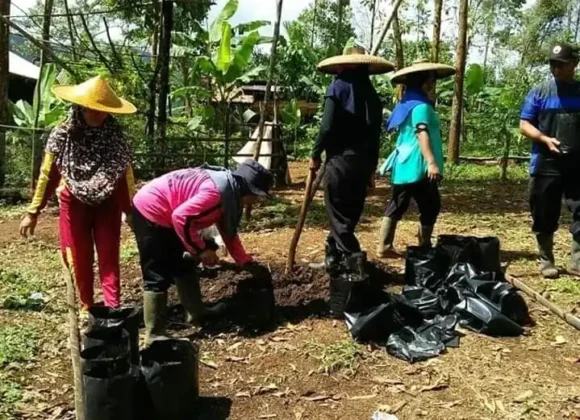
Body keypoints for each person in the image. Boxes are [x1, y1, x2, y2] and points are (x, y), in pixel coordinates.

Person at [19, 76, 136, 309]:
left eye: (104, 111)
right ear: (82, 107)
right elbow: (47, 175)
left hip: (108, 204)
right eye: (94, 110)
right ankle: (86, 307)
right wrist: (33, 211)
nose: (99, 115)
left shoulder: (115, 137)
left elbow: (125, 175)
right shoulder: (62, 135)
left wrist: (130, 211)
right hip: (73, 204)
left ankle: (113, 307)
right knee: (77, 257)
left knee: (109, 256)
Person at [131, 159, 273, 344]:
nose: (257, 199)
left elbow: (228, 232)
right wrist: (202, 250)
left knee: (183, 265)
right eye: (257, 195)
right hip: (151, 210)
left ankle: (196, 312)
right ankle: (154, 334)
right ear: (247, 189)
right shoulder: (216, 194)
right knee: (157, 273)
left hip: (170, 213)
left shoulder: (230, 195)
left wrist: (244, 261)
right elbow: (181, 218)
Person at [312, 44, 394, 271]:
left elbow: (326, 127)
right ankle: (333, 260)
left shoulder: (337, 87)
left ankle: (357, 264)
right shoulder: (372, 95)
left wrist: (315, 153)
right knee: (346, 217)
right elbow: (376, 137)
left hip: (340, 162)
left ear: (345, 64)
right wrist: (370, 171)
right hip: (363, 163)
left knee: (339, 218)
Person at [376, 59, 455, 257]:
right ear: (422, 82)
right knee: (430, 205)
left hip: (404, 164)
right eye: (430, 81)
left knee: (399, 204)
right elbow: (421, 132)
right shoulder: (420, 106)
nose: (432, 85)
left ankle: (386, 245)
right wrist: (431, 162)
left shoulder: (407, 104)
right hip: (418, 165)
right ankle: (423, 242)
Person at [519, 42, 580, 279]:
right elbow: (524, 124)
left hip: (577, 164)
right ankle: (546, 259)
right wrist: (544, 139)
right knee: (544, 210)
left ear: (574, 64)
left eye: (562, 64)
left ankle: (577, 260)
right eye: (553, 64)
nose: (556, 69)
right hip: (546, 163)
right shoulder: (539, 92)